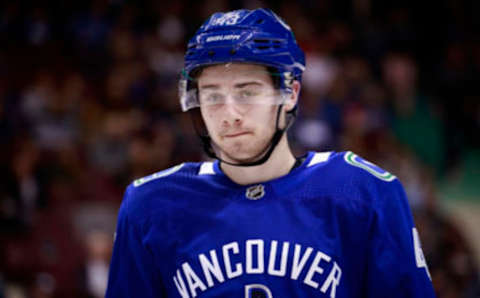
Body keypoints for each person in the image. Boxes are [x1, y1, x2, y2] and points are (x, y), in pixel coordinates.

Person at [105, 8, 436, 298]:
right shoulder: (150, 204)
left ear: (289, 94)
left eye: (247, 92)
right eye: (212, 95)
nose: (230, 113)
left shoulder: (363, 191)